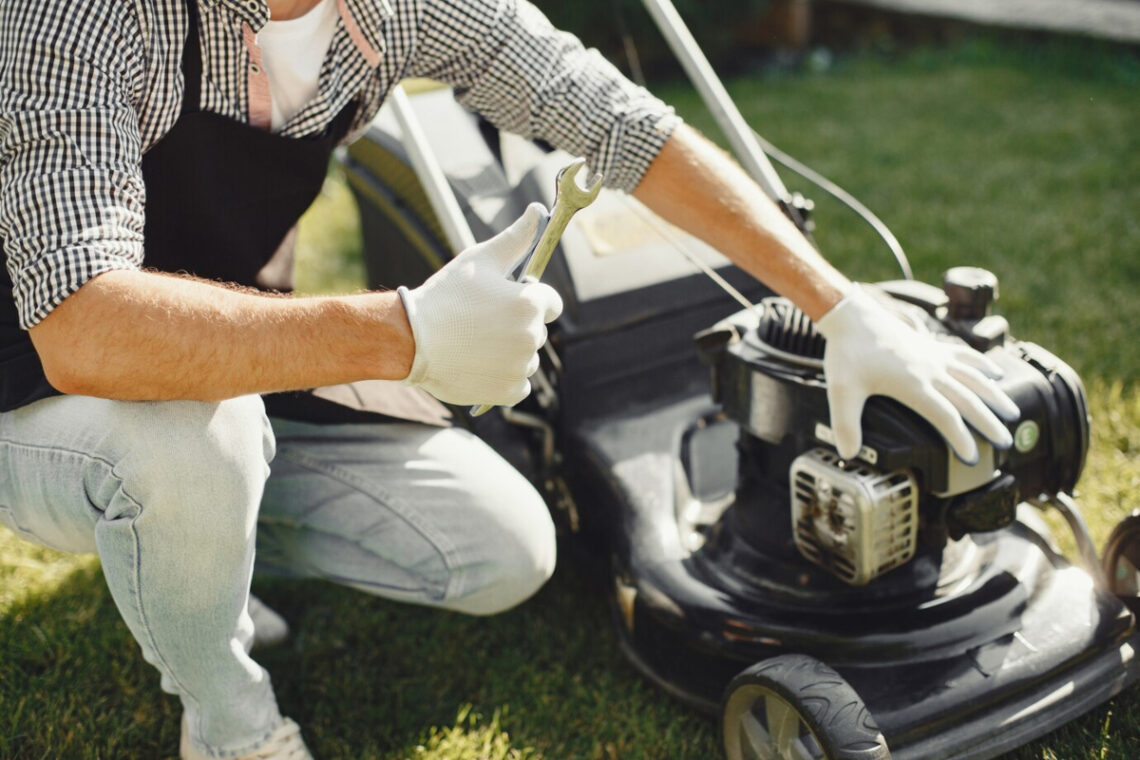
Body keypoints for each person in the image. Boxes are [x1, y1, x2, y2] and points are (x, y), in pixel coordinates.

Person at [0, 0, 1019, 757]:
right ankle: (227, 717)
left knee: (502, 548)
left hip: (246, 365)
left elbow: (617, 120)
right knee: (189, 442)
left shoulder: (388, 10)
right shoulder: (77, 15)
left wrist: (840, 306)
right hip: (41, 394)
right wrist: (402, 331)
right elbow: (82, 326)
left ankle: (194, 552)